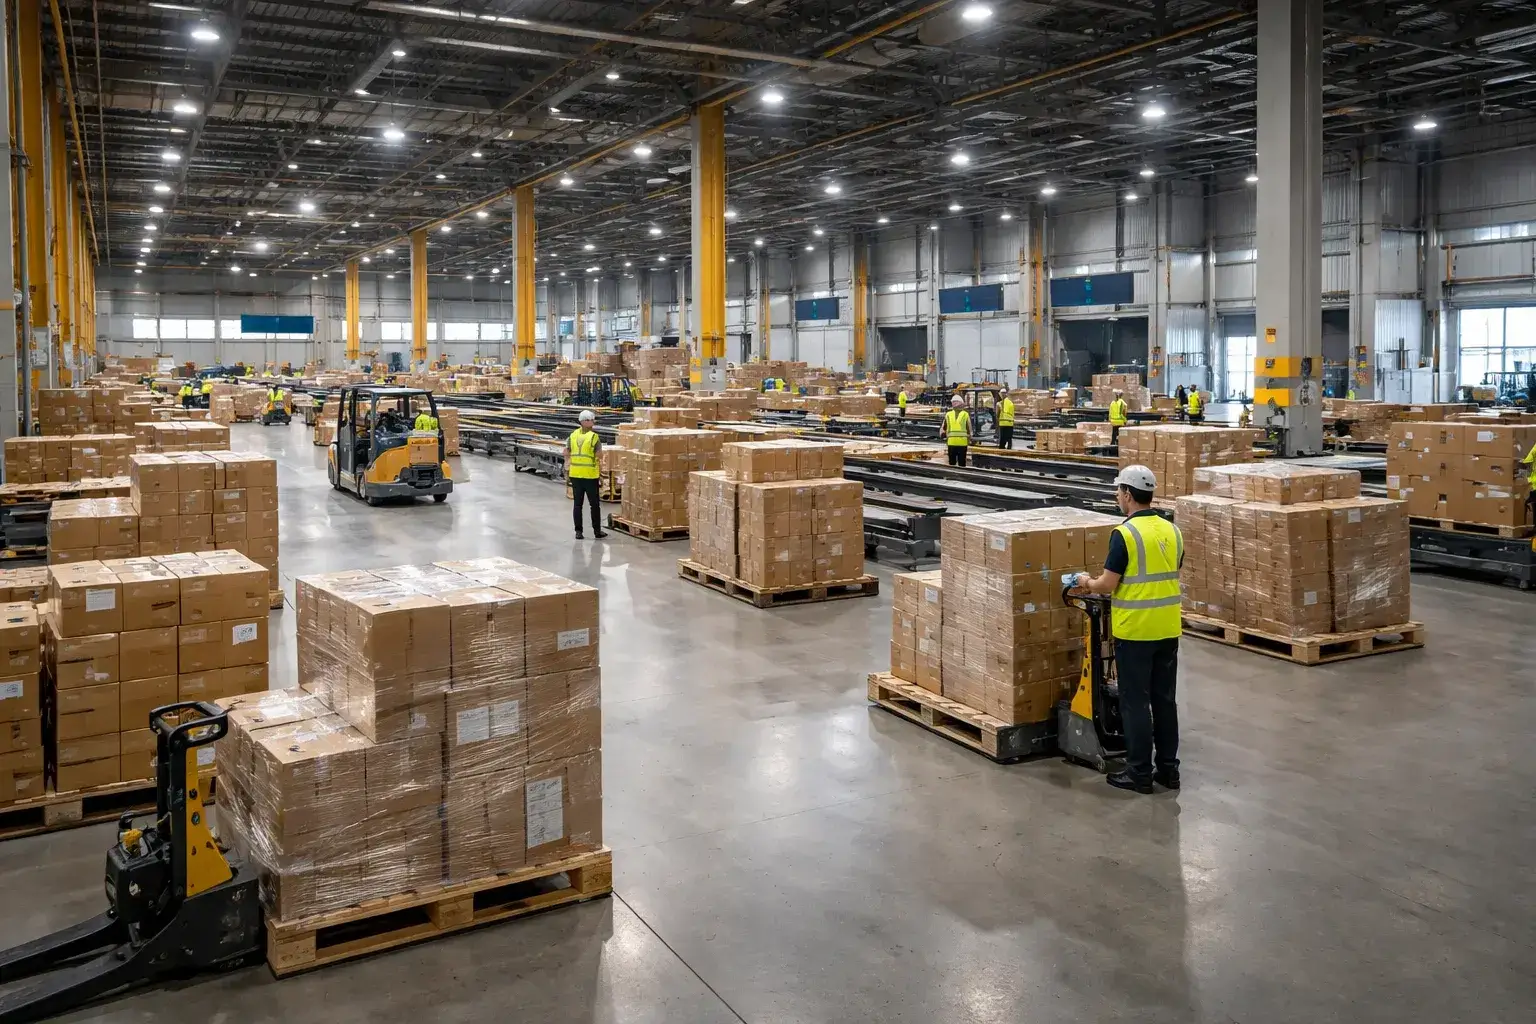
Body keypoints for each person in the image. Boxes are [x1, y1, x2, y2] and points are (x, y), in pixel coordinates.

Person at [1069, 465, 1182, 794]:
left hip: (1135, 631)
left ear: (1129, 495)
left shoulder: (1125, 534)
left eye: (1119, 492)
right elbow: (1171, 569)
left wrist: (1085, 583)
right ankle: (1168, 771)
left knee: (1135, 702)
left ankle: (1139, 773)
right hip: (1168, 628)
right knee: (1164, 701)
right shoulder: (1172, 530)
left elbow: (1108, 583)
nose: (1117, 497)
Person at [568, 411, 607, 539]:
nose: (593, 422)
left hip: (575, 475)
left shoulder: (573, 435)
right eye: (592, 420)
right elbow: (599, 456)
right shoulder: (594, 437)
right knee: (594, 505)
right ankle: (597, 531)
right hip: (590, 476)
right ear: (585, 421)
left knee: (577, 505)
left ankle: (578, 532)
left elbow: (565, 452)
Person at [944, 395, 972, 467]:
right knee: (961, 464)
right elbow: (969, 430)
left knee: (952, 463)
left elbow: (944, 428)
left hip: (952, 443)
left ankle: (951, 477)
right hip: (962, 443)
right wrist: (969, 440)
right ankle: (961, 477)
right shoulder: (965, 414)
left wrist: (946, 439)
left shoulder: (948, 414)